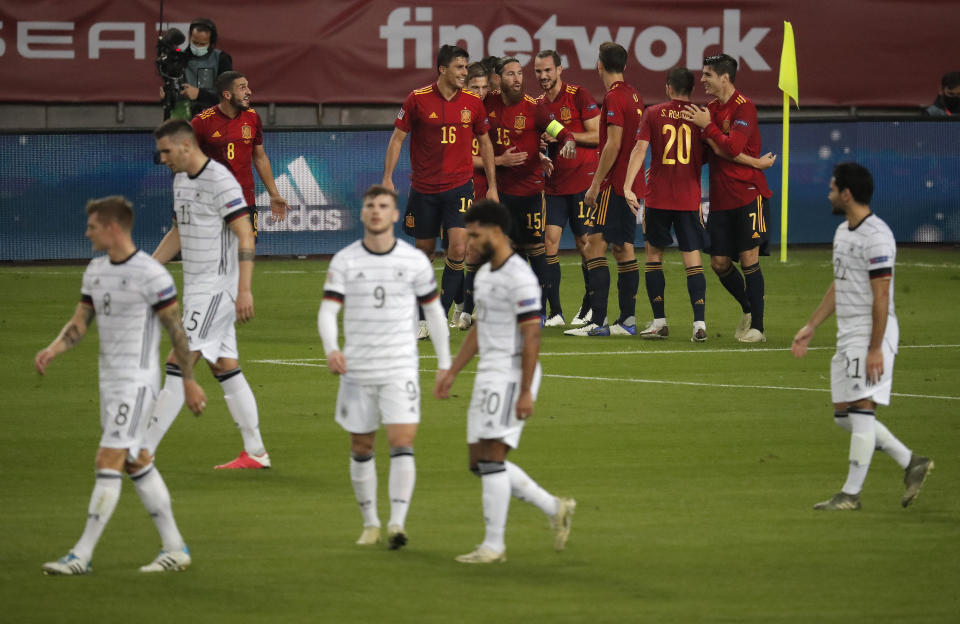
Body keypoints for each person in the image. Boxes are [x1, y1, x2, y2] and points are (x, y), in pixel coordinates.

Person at [36, 196, 206, 575]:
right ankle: (175, 548)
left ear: (113, 228)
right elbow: (81, 322)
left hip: (137, 383)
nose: (87, 232)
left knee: (108, 458)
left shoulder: (151, 274)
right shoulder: (95, 271)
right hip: (109, 383)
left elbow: (176, 330)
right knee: (136, 461)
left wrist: (190, 382)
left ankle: (81, 554)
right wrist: (54, 348)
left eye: (93, 226)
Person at [434, 200, 576, 564]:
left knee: (493, 458)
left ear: (495, 232)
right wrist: (452, 370)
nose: (469, 243)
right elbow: (481, 329)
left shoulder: (520, 277)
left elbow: (532, 338)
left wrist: (526, 390)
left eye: (475, 235)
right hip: (489, 371)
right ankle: (554, 506)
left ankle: (494, 546)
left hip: (513, 372)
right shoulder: (483, 275)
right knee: (477, 462)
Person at [792, 163, 933, 510]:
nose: (828, 194)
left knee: (863, 410)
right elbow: (840, 285)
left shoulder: (877, 236)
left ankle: (850, 495)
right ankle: (911, 462)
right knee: (845, 415)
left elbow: (881, 295)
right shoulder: (843, 233)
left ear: (847, 193)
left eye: (832, 188)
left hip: (871, 332)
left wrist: (875, 349)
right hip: (848, 332)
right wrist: (812, 325)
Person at [318, 185, 451, 549]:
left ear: (395, 215)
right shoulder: (344, 261)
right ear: (363, 213)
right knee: (362, 445)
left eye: (383, 206)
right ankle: (370, 522)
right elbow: (329, 311)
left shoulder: (414, 261)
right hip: (357, 370)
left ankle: (396, 523)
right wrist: (332, 349)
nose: (376, 211)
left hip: (400, 367)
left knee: (401, 441)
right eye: (370, 206)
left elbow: (435, 313)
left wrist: (444, 363)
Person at [143, 119, 270, 470]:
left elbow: (245, 234)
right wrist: (149, 270)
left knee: (177, 360)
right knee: (224, 365)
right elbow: (177, 231)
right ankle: (256, 452)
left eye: (166, 151)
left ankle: (143, 451)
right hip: (198, 286)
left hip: (218, 288)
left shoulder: (220, 181)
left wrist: (243, 290)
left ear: (186, 146)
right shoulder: (181, 180)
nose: (163, 158)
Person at [625, 67, 776, 342]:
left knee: (653, 257)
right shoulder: (700, 117)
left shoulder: (653, 112)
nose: (706, 80)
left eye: (710, 74)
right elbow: (718, 151)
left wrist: (628, 185)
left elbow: (640, 149)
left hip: (659, 195)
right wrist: (755, 162)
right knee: (695, 262)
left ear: (668, 87)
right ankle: (699, 325)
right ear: (691, 88)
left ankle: (660, 322)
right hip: (689, 197)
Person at [383, 44, 499, 338]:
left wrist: (493, 186)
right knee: (424, 254)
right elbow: (397, 139)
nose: (464, 73)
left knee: (458, 249)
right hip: (423, 189)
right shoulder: (417, 99)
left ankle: (438, 316)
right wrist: (387, 178)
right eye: (459, 68)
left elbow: (485, 143)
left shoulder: (473, 103)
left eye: (465, 67)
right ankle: (420, 316)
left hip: (459, 187)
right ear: (442, 70)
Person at [681, 53, 772, 343]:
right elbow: (710, 151)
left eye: (707, 74)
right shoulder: (709, 109)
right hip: (720, 199)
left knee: (749, 259)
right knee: (719, 263)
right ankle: (747, 308)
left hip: (748, 193)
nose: (703, 79)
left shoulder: (744, 108)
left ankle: (758, 327)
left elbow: (732, 147)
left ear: (724, 77)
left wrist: (707, 129)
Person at [484, 58, 577, 321]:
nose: (517, 78)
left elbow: (560, 130)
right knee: (506, 253)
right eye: (510, 74)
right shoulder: (486, 102)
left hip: (531, 194)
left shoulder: (534, 108)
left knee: (537, 250)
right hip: (500, 193)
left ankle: (540, 311)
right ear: (499, 79)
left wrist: (568, 140)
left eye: (520, 74)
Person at [566, 42, 644, 337]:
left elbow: (613, 144)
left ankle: (601, 321)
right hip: (630, 182)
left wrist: (596, 184)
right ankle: (625, 320)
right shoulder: (634, 95)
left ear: (599, 65)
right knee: (619, 248)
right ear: (623, 66)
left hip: (615, 184)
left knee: (596, 245)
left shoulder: (613, 98)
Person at [535, 49, 601, 327]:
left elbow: (598, 134)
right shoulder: (536, 104)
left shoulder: (578, 94)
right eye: (538, 71)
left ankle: (590, 306)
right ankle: (555, 312)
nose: (543, 76)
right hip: (554, 184)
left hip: (583, 181)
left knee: (585, 245)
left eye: (548, 70)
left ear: (560, 70)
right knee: (548, 243)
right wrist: (538, 145)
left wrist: (564, 136)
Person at [192, 71, 289, 235]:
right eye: (243, 88)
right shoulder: (201, 122)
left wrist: (274, 194)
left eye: (248, 87)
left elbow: (260, 157)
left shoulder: (253, 117)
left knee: (246, 252)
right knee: (215, 254)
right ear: (227, 95)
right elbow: (189, 160)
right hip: (212, 200)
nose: (249, 92)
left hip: (245, 199)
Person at [164, 18, 233, 120]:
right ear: (190, 37)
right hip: (184, 121)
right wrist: (167, 96)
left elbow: (228, 97)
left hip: (213, 119)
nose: (198, 46)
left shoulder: (221, 59)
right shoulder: (179, 59)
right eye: (195, 42)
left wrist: (199, 94)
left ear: (211, 42)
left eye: (202, 44)